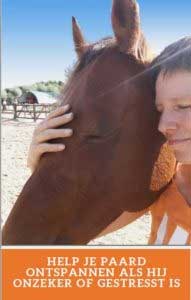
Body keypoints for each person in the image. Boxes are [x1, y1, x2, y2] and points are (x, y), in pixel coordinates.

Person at [27, 36, 191, 245]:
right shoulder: (171, 185)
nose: (163, 125)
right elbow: (69, 233)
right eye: (160, 110)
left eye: (184, 105)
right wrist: (40, 164)